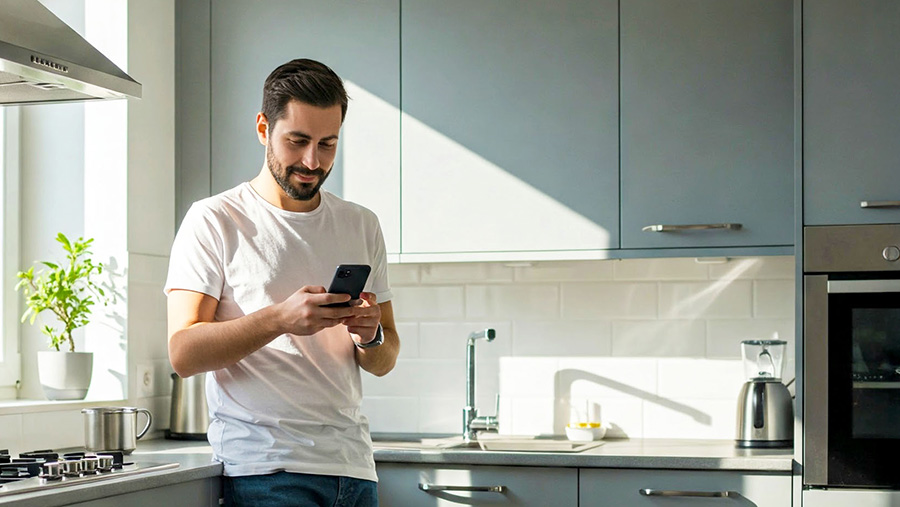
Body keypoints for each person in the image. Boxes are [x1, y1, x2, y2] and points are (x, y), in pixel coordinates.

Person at [164, 58, 399, 507]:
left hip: (353, 471)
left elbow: (385, 359)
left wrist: (370, 335)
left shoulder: (361, 224)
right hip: (266, 471)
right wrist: (279, 319)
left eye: (328, 144)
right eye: (298, 141)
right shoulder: (215, 219)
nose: (313, 161)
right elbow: (184, 352)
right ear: (262, 128)